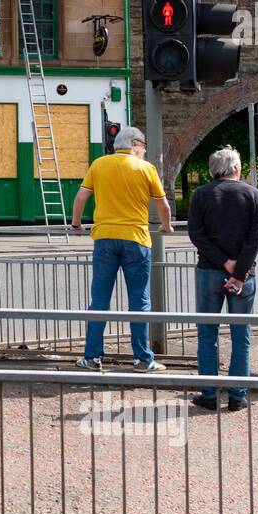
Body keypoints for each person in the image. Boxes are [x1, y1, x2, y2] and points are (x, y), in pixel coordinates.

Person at [68, 125, 173, 373]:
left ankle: (92, 357)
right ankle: (143, 359)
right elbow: (163, 206)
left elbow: (81, 197)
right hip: (137, 239)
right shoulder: (146, 168)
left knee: (100, 300)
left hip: (104, 238)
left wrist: (76, 224)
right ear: (135, 144)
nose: (144, 149)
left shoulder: (99, 164)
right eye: (144, 145)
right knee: (139, 301)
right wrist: (166, 227)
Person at [186, 146, 258, 411]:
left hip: (209, 270)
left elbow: (196, 234)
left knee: (207, 333)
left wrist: (223, 262)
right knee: (241, 335)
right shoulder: (253, 195)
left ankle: (208, 393)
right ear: (235, 168)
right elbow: (255, 240)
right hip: (244, 276)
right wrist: (239, 271)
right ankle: (237, 394)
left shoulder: (201, 194)